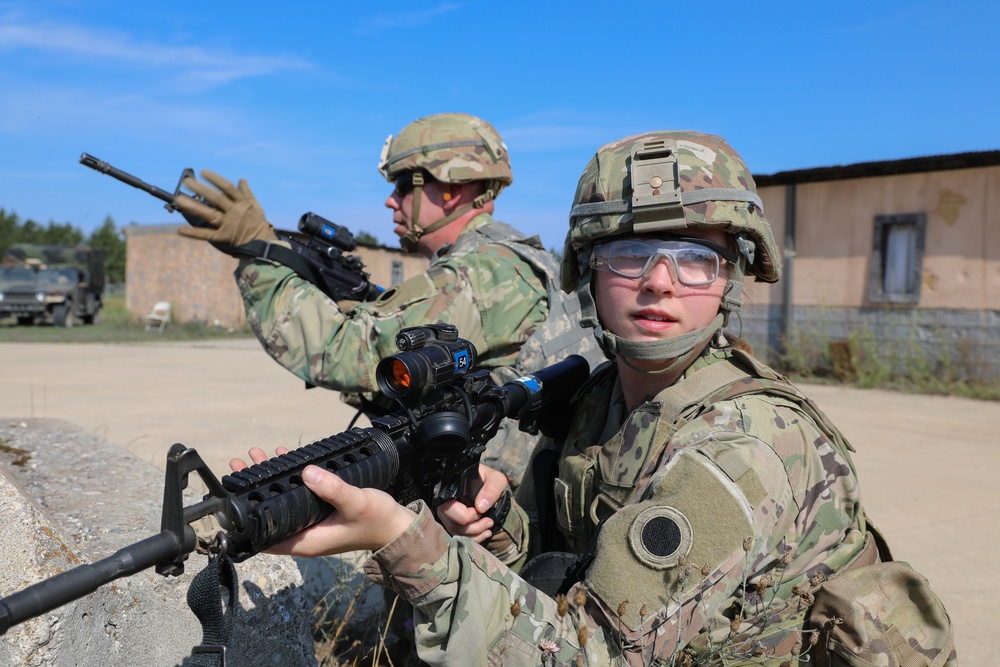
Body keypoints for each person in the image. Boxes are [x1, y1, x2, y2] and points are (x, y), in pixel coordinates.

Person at [232, 131, 955, 666]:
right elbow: (573, 561)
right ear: (591, 272)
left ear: (732, 280)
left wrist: (407, 544)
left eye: (697, 259)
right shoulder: (605, 397)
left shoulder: (745, 446)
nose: (660, 283)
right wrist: (498, 525)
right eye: (631, 254)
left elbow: (590, 655)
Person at [174, 112, 601, 486]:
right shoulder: (509, 256)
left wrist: (259, 252)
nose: (390, 200)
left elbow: (350, 353)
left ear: (452, 188)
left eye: (402, 185)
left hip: (483, 510)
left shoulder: (480, 273)